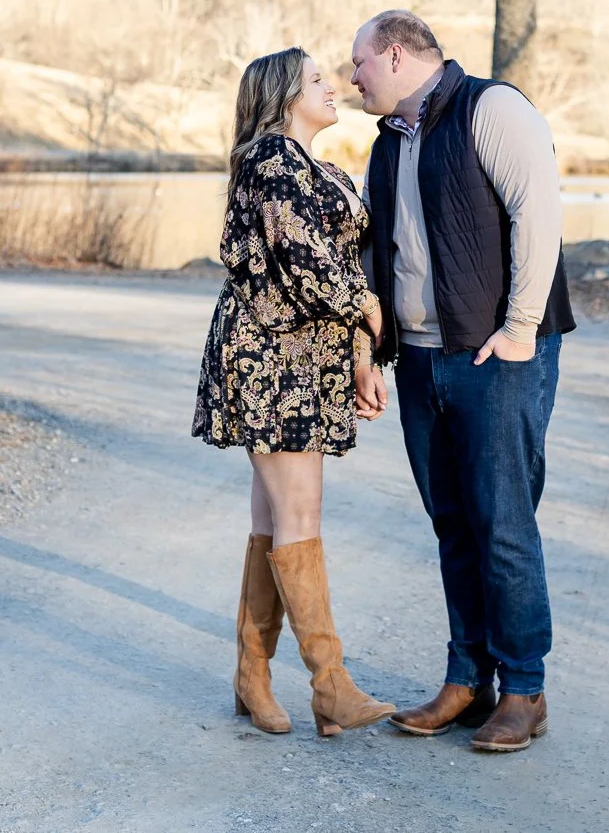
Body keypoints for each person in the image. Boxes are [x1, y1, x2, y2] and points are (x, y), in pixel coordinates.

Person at [351, 10, 575, 753]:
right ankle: (466, 680)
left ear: (393, 55)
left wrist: (516, 331)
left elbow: (536, 217)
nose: (351, 78)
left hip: (495, 357)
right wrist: (372, 351)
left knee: (502, 522)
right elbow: (381, 260)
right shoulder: (388, 147)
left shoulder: (493, 107)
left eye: (357, 64)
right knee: (451, 524)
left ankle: (524, 689)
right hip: (419, 359)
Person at [192, 46, 395, 738]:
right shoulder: (271, 160)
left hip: (308, 354)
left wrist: (364, 349)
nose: (333, 86)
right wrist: (368, 306)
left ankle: (253, 675)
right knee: (300, 512)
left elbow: (345, 260)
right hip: (270, 355)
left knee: (275, 520)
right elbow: (311, 267)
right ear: (283, 95)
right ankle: (330, 685)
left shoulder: (322, 169)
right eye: (316, 80)